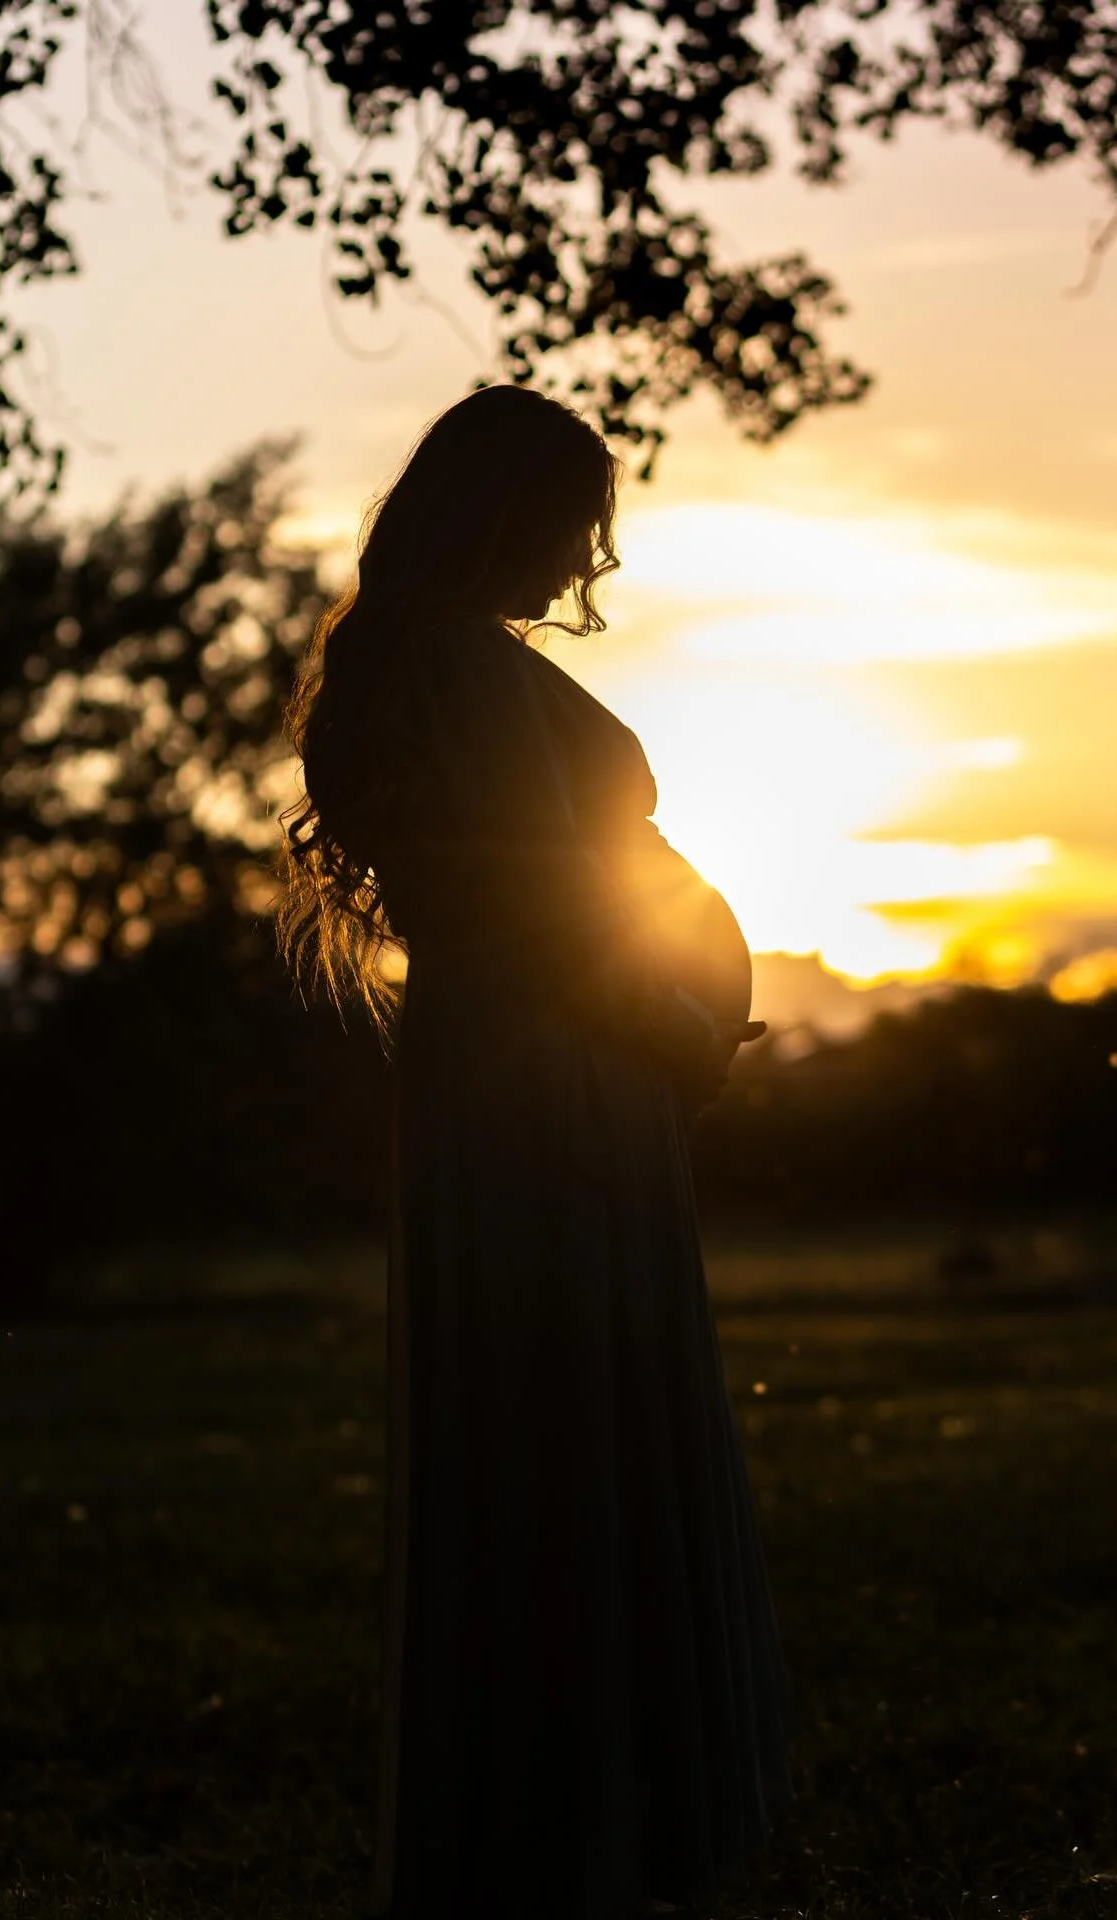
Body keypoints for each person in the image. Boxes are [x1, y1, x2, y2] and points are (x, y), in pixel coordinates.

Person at [277, 384, 796, 1920]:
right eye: (575, 525)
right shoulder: (441, 672)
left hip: (573, 1071)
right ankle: (575, 1827)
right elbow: (540, 914)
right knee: (559, 1429)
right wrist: (685, 1029)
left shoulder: (440, 666)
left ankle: (589, 1821)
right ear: (502, 510)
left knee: (574, 1427)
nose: (588, 564)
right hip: (553, 1080)